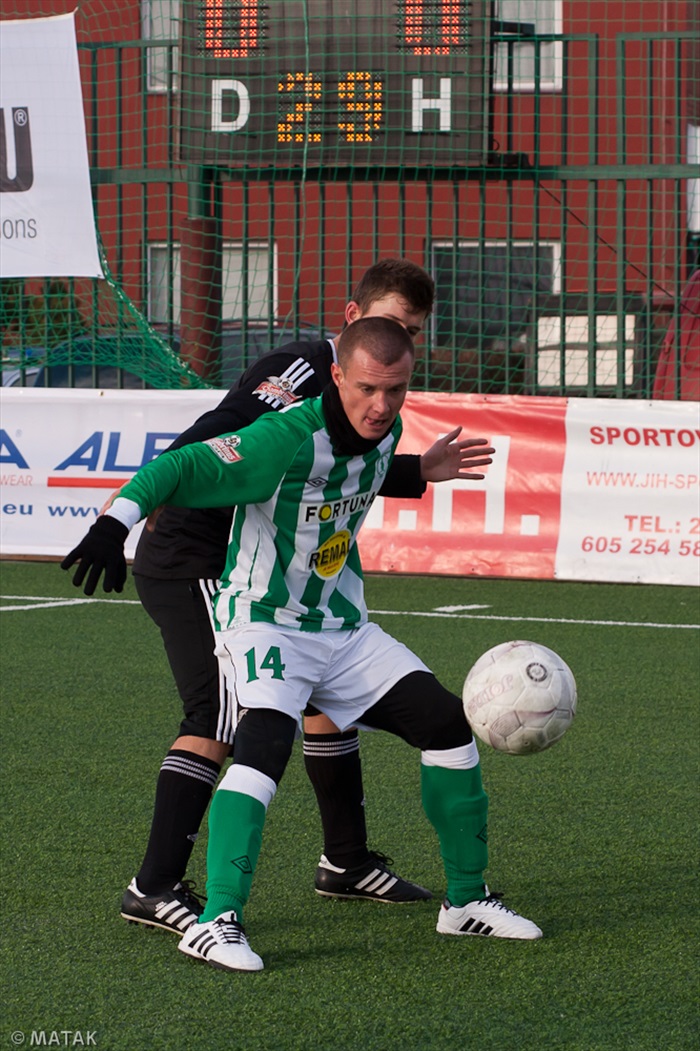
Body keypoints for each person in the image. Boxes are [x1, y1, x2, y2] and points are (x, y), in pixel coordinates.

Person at [62, 315, 542, 973]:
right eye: (367, 388)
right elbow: (178, 464)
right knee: (262, 746)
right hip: (265, 622)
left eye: (396, 390)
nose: (381, 405)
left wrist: (420, 470)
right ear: (336, 375)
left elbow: (356, 470)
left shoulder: (387, 429)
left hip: (340, 628)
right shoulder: (281, 438)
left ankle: (465, 901)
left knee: (446, 725)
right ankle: (215, 921)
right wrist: (112, 525)